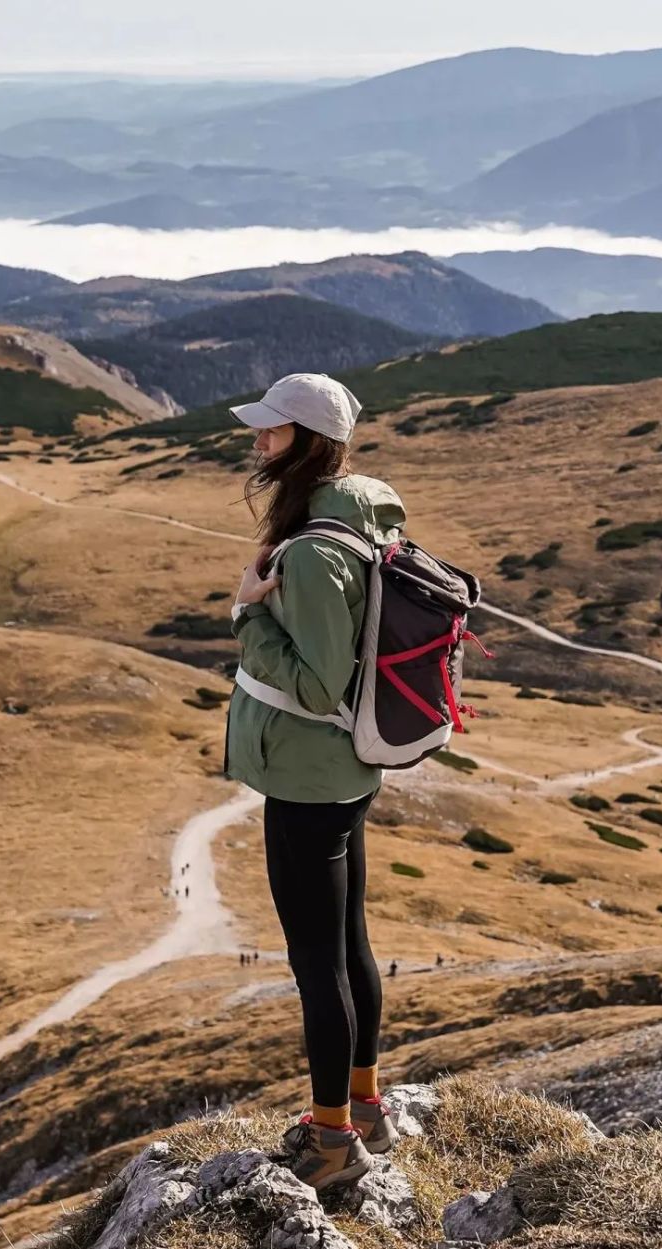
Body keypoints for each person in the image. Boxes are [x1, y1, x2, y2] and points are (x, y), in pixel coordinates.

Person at [224, 373, 402, 1192]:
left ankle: (332, 1140)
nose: (259, 442)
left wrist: (249, 612)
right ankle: (362, 1104)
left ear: (310, 441)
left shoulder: (319, 551)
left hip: (308, 777)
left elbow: (317, 683)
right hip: (336, 772)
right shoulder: (347, 519)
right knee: (348, 945)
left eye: (273, 430)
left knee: (316, 961)